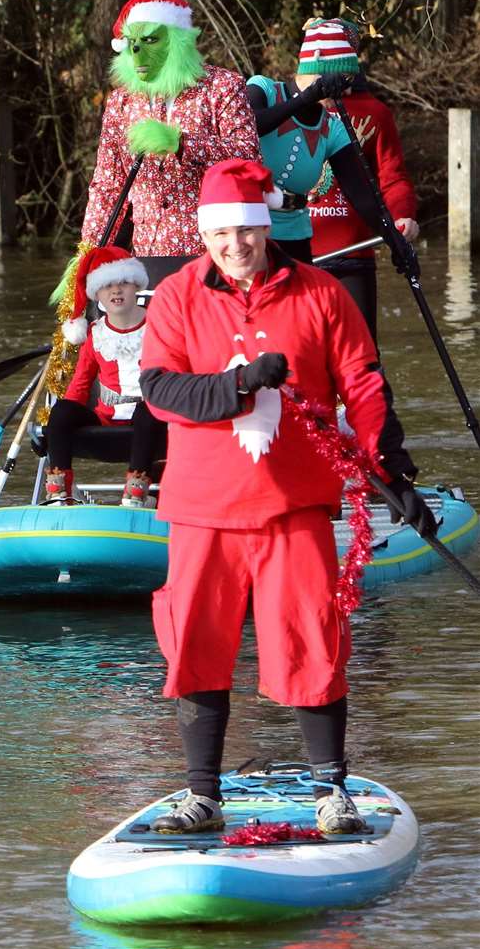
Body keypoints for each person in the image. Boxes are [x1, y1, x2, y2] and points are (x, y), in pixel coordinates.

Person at [135, 157, 433, 837]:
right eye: (220, 234)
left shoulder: (322, 294)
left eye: (246, 230)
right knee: (196, 646)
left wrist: (390, 464)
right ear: (203, 235)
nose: (235, 244)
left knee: (311, 641)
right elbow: (160, 391)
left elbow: (361, 381)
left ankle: (332, 790)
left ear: (265, 229)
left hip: (295, 503)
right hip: (202, 507)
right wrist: (238, 383)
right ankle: (202, 794)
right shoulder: (178, 296)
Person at [80, 0, 259, 257]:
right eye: (132, 42)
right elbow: (108, 186)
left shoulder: (222, 87)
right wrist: (88, 255)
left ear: (177, 41)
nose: (138, 52)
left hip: (217, 257)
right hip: (149, 257)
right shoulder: (121, 103)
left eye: (151, 40)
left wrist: (183, 145)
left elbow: (250, 159)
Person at [297, 18, 421, 340]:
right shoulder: (287, 111)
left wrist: (401, 216)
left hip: (354, 254)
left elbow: (392, 178)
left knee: (362, 355)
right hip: (296, 255)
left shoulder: (374, 113)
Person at [45, 245, 160, 506]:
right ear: (97, 294)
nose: (116, 290)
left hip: (151, 417)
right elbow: (80, 384)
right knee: (61, 411)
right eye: (107, 286)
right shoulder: (95, 333)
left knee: (149, 410)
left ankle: (136, 492)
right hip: (106, 416)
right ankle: (59, 492)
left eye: (123, 283)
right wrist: (64, 411)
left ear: (136, 287)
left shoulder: (158, 324)